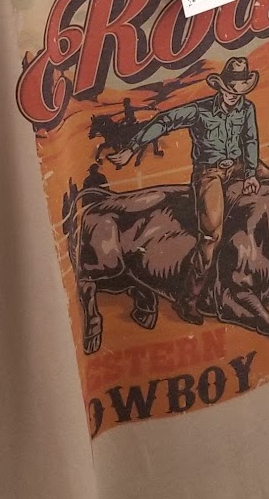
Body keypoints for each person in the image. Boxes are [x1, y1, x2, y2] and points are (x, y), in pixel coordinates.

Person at [108, 56, 260, 321]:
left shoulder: (247, 109)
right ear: (221, 87)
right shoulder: (200, 110)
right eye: (230, 90)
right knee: (211, 236)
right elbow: (164, 121)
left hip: (237, 166)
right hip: (209, 173)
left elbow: (250, 140)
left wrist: (251, 173)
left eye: (238, 92)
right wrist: (132, 148)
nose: (234, 96)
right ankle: (188, 299)